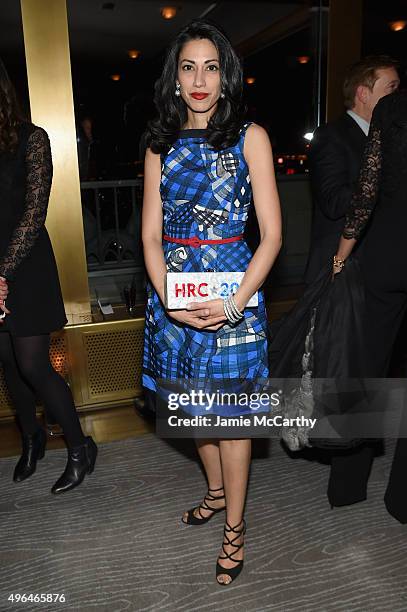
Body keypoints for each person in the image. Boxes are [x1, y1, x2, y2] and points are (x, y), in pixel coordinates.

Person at [142, 20, 282, 585]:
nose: (199, 79)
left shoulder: (253, 137)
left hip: (235, 297)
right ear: (175, 80)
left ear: (226, 78)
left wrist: (236, 303)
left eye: (211, 66)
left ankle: (236, 529)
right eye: (188, 66)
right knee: (194, 409)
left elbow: (271, 236)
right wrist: (167, 300)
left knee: (234, 423)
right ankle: (217, 492)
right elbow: (150, 236)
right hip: (175, 300)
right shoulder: (159, 146)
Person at [0, 59, 97, 494]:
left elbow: (34, 214)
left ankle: (80, 449)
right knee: (7, 364)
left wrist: (2, 274)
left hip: (27, 266)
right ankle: (32, 439)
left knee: (33, 365)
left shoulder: (32, 139)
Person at [333, 90, 407, 523]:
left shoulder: (393, 108)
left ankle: (346, 486)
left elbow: (367, 191)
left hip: (385, 254)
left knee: (363, 370)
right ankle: (402, 501)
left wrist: (341, 256)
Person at [305, 56, 399, 284]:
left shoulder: (391, 138)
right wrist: (379, 175)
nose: (398, 96)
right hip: (343, 267)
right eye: (392, 88)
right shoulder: (331, 136)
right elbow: (333, 202)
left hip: (384, 264)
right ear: (363, 94)